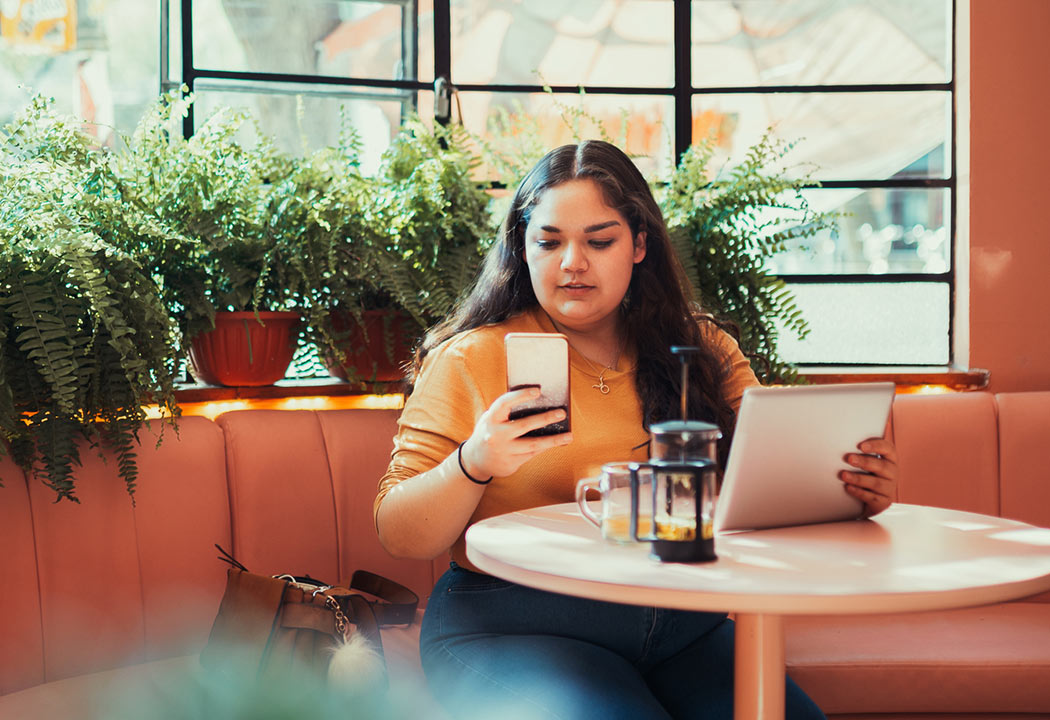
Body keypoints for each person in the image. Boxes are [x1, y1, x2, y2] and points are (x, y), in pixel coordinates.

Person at [374, 140, 899, 720]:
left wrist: (851, 491)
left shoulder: (702, 352)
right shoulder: (470, 359)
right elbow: (401, 535)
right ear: (521, 249)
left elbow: (770, 482)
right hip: (514, 625)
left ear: (640, 245)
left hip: (683, 628)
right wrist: (474, 461)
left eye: (599, 241)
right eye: (549, 242)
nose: (573, 262)